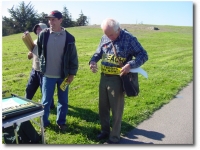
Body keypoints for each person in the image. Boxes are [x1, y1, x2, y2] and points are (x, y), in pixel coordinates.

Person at [89, 18, 148, 144]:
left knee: (116, 109)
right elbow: (98, 52)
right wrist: (92, 61)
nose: (108, 37)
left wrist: (130, 65)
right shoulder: (105, 37)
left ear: (118, 29)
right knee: (103, 108)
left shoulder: (129, 38)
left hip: (118, 79)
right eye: (106, 34)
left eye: (111, 34)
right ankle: (105, 131)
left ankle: (114, 137)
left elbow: (143, 54)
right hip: (104, 77)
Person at [37, 10, 78, 131]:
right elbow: (40, 52)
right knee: (45, 102)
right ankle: (44, 123)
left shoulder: (69, 38)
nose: (51, 22)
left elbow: (73, 57)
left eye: (53, 19)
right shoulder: (43, 34)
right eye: (49, 19)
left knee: (63, 101)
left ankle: (61, 122)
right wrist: (42, 66)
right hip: (47, 75)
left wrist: (72, 74)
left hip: (63, 76)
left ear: (60, 20)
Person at [25, 23, 55, 109]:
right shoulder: (34, 41)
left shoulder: (49, 41)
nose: (38, 31)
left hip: (44, 71)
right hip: (34, 70)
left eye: (40, 29)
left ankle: (51, 105)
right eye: (37, 29)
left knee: (45, 90)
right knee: (29, 88)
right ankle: (25, 103)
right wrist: (30, 54)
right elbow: (30, 56)